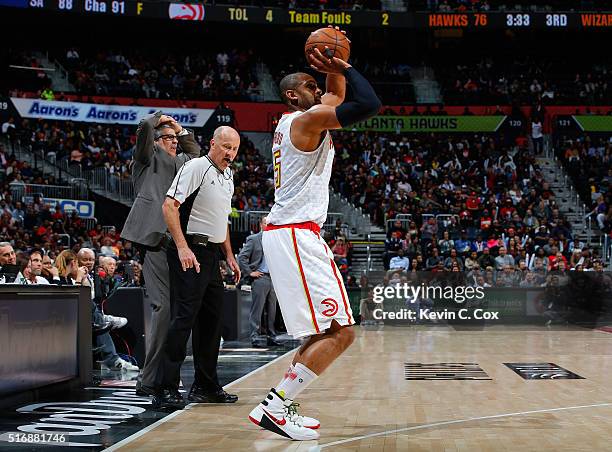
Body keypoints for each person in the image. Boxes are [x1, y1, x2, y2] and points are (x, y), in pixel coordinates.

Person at [249, 32, 381, 440]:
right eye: (310, 84)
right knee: (342, 331)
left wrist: (329, 72)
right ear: (292, 96)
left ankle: (278, 406)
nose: (318, 88)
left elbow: (336, 98)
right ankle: (275, 407)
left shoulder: (304, 118)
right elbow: (368, 105)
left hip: (289, 232)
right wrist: (344, 66)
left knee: (323, 332)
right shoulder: (304, 120)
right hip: (295, 234)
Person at [153, 125, 242, 409]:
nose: (230, 153)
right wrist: (182, 247)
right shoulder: (196, 167)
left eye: (235, 149)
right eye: (226, 147)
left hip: (211, 254)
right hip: (190, 249)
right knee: (184, 318)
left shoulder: (228, 175)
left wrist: (229, 254)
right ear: (213, 143)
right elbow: (169, 206)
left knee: (212, 322)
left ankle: (205, 385)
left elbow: (221, 217)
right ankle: (164, 387)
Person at [121, 111, 201, 396]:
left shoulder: (181, 162)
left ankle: (165, 377)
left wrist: (179, 130)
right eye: (167, 138)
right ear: (155, 141)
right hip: (156, 241)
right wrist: (159, 117)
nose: (173, 142)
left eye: (174, 139)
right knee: (163, 309)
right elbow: (144, 129)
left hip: (180, 244)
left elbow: (196, 155)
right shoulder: (145, 160)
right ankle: (149, 379)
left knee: (178, 312)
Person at [238, 216, 279, 347]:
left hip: (273, 278)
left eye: (270, 223)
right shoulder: (254, 239)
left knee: (272, 310)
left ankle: (271, 337)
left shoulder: (276, 241)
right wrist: (250, 272)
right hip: (260, 277)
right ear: (261, 224)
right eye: (266, 223)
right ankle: (254, 337)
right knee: (257, 309)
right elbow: (242, 258)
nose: (268, 225)